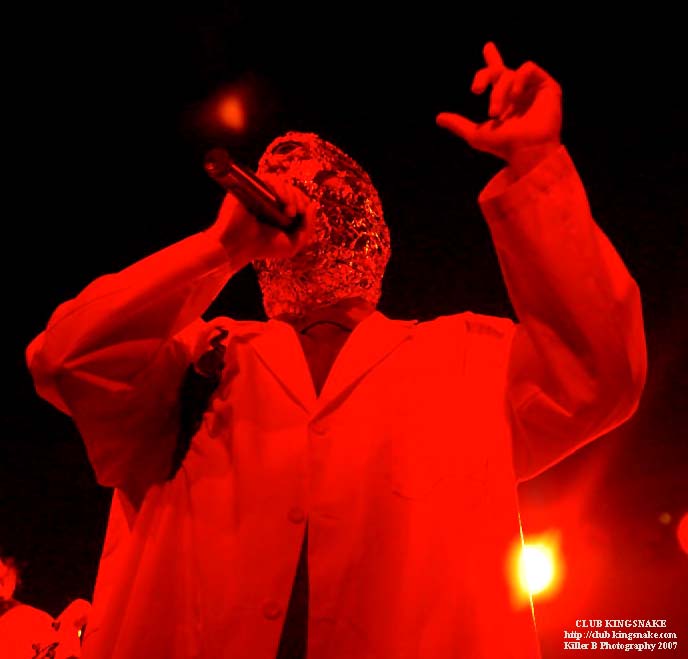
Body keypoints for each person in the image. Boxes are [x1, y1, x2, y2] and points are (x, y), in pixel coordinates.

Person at [25, 42, 646, 659]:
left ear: (369, 225)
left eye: (325, 189)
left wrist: (536, 164)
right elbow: (65, 357)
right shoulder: (191, 363)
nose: (301, 196)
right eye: (280, 185)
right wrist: (220, 249)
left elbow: (600, 373)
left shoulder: (465, 357)